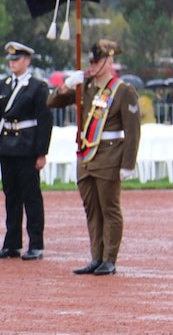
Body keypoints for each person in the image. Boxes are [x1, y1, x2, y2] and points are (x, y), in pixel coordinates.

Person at [47, 39, 141, 276]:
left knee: (109, 208)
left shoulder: (123, 91)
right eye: (91, 60)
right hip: (86, 156)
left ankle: (109, 258)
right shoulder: (85, 86)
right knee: (91, 210)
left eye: (97, 60)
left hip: (109, 155)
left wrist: (128, 163)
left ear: (109, 62)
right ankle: (96, 257)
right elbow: (52, 102)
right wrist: (67, 85)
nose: (93, 64)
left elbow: (133, 131)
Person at [0, 41, 53, 261]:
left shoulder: (37, 87)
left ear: (27, 61)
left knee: (31, 197)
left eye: (17, 59)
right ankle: (12, 243)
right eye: (11, 60)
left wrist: (41, 152)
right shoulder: (2, 85)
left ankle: (35, 243)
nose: (13, 63)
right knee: (11, 196)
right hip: (8, 146)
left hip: (27, 146)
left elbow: (44, 121)